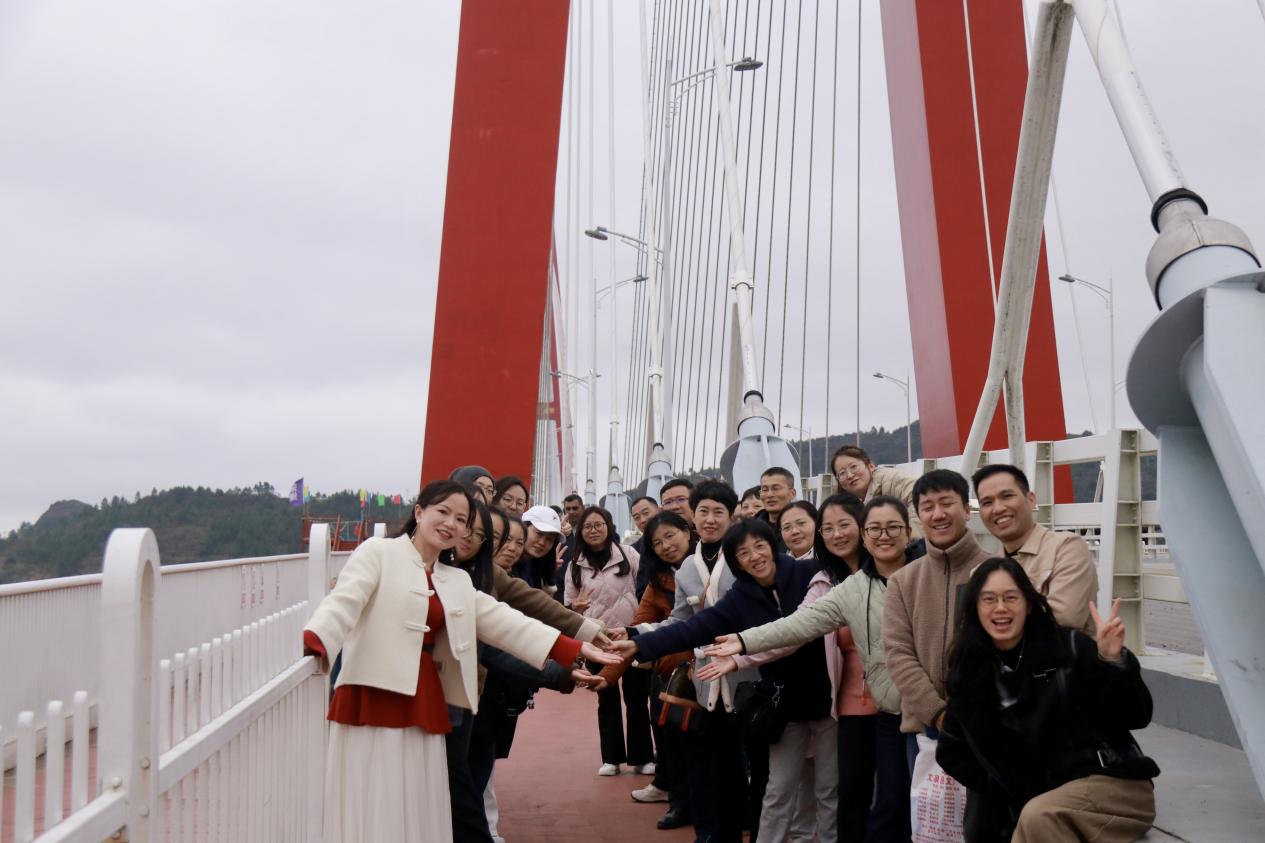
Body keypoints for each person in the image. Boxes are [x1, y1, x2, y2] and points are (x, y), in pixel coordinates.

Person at [302, 480, 619, 843]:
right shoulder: (379, 552)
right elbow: (346, 598)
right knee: (374, 794)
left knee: (419, 797)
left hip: (426, 699)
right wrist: (319, 637)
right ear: (419, 512)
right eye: (443, 512)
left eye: (461, 520)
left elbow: (506, 623)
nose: (451, 524)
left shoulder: (455, 580)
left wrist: (574, 647)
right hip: (373, 695)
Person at [614, 518, 835, 843]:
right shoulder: (741, 595)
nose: (754, 556)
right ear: (735, 562)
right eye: (743, 553)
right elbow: (693, 627)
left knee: (829, 788)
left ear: (772, 546)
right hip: (782, 704)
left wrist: (741, 652)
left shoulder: (809, 574)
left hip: (828, 699)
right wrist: (639, 644)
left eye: (760, 546)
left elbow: (798, 631)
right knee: (778, 790)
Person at [708, 495, 913, 843]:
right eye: (828, 528)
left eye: (892, 527)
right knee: (848, 793)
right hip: (847, 704)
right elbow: (799, 626)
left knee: (893, 796)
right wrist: (743, 644)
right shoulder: (838, 583)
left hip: (908, 704)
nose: (837, 534)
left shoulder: (920, 573)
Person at [937, 558, 1159, 842]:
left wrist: (1112, 662)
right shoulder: (971, 671)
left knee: (1038, 816)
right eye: (989, 599)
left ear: (1029, 605)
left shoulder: (1070, 648)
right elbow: (951, 752)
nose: (1000, 608)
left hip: (1113, 783)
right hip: (1042, 800)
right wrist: (1006, 783)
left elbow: (1137, 715)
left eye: (1011, 598)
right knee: (1030, 817)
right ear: (975, 608)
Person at [588, 512, 697, 831]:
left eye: (670, 536)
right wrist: (606, 676)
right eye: (657, 542)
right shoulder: (658, 581)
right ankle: (679, 803)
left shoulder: (713, 567)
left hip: (713, 669)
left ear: (687, 532)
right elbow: (636, 631)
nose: (666, 546)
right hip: (674, 677)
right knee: (671, 739)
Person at [882, 469, 992, 769]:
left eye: (947, 503)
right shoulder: (903, 581)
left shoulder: (996, 571)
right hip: (924, 730)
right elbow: (898, 652)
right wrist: (937, 712)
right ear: (919, 515)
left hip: (986, 726)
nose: (938, 514)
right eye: (928, 507)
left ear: (966, 510)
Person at [565, 506, 651, 775]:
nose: (593, 530)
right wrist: (576, 608)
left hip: (630, 637)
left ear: (608, 526)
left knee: (637, 699)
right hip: (598, 640)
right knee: (606, 698)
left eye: (598, 525)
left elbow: (645, 591)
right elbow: (568, 606)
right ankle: (611, 758)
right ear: (581, 531)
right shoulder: (575, 565)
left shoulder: (628, 555)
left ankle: (642, 757)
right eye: (587, 526)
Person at [972, 464, 1098, 632]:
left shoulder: (1066, 548)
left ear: (1031, 500)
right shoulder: (981, 571)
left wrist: (997, 623)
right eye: (987, 502)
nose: (998, 508)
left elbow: (1065, 618)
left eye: (1007, 496)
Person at [831, 445, 921, 538]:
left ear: (871, 466)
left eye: (853, 467)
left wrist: (908, 538)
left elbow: (919, 500)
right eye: (842, 473)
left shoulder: (891, 480)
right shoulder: (848, 503)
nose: (850, 475)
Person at [518, 505, 565, 595]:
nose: (542, 543)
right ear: (523, 528)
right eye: (538, 534)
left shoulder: (539, 570)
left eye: (550, 539)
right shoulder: (505, 563)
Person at [758, 467, 797, 534]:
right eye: (765, 490)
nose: (769, 495)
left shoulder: (804, 528)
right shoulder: (751, 530)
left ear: (792, 493)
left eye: (776, 488)